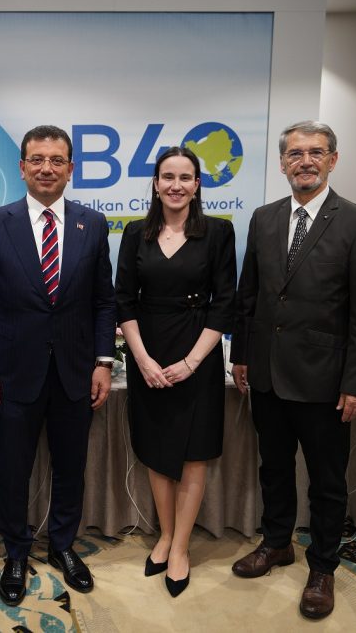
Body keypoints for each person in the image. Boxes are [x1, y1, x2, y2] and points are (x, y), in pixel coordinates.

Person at [230, 121, 356, 619]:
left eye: (316, 152)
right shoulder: (264, 218)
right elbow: (250, 295)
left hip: (326, 381)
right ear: (282, 163)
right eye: (295, 154)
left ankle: (322, 568)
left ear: (333, 160)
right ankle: (277, 543)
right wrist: (241, 355)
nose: (305, 161)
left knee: (326, 482)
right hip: (268, 376)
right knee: (273, 469)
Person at [0, 125, 116, 607]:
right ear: (22, 167)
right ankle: (16, 552)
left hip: (75, 372)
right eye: (37, 159)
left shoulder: (92, 224)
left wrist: (104, 362)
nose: (46, 168)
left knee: (71, 467)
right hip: (13, 375)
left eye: (56, 160)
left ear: (71, 169)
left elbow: (103, 302)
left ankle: (63, 546)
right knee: (14, 471)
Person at [114, 146, 236, 597]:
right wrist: (142, 360)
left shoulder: (218, 231)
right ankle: (164, 536)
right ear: (155, 183)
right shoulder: (135, 232)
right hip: (147, 353)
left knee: (193, 453)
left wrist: (191, 362)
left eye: (186, 177)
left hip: (197, 355)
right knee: (156, 449)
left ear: (198, 185)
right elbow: (123, 299)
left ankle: (181, 547)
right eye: (168, 176)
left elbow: (225, 302)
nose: (176, 185)